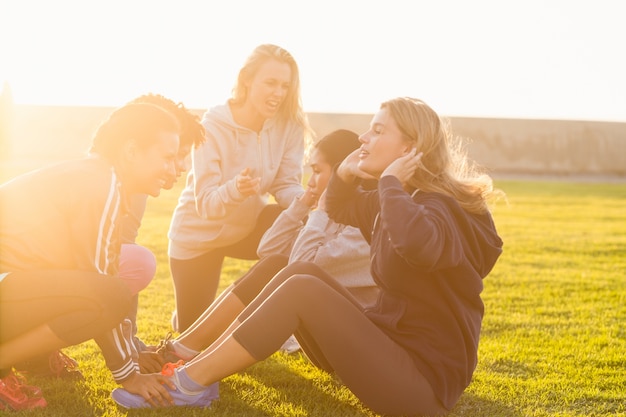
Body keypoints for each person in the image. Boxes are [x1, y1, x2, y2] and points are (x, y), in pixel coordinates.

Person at [110, 97, 504, 416]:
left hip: (423, 384)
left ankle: (190, 382)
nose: (364, 138)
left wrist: (388, 181)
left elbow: (417, 243)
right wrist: (346, 176)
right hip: (389, 351)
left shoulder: (441, 208)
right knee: (297, 270)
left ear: (410, 148)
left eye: (378, 130)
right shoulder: (396, 200)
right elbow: (339, 207)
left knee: (303, 289)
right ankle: (194, 369)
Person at [134, 129, 378, 373]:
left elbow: (299, 267)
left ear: (341, 172)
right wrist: (302, 205)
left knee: (281, 268)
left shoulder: (365, 226)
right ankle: (187, 350)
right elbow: (268, 249)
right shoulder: (334, 217)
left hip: (353, 349)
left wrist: (321, 211)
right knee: (275, 263)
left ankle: (188, 353)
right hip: (328, 337)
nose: (310, 181)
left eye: (316, 171)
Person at [0, 102, 186, 410]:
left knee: (106, 289)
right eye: (168, 157)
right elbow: (101, 290)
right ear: (130, 151)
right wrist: (130, 376)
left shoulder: (95, 175)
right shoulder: (102, 183)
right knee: (110, 294)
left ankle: (28, 359)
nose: (175, 168)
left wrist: (129, 353)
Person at [168, 43, 313, 332]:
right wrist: (236, 188)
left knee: (297, 227)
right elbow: (206, 205)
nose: (279, 93)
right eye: (270, 83)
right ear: (246, 80)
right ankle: (192, 313)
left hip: (248, 229)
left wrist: (307, 201)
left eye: (285, 86)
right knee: (196, 337)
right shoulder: (212, 125)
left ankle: (279, 320)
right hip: (198, 238)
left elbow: (285, 183)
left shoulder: (289, 125)